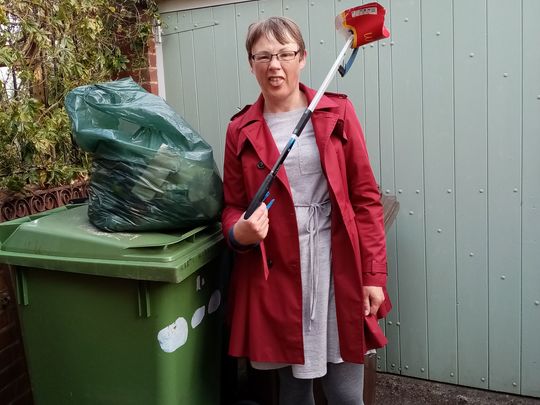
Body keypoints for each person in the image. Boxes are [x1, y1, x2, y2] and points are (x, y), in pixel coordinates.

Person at [221, 16, 391, 405]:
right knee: (294, 394)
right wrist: (238, 233)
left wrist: (373, 275)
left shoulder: (336, 114)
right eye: (262, 55)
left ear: (303, 57)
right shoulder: (239, 130)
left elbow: (365, 200)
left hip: (336, 269)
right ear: (251, 64)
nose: (274, 65)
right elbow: (232, 204)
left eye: (284, 53)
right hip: (277, 273)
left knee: (346, 394)